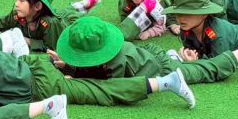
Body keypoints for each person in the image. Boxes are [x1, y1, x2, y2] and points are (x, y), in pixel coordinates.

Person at [28, 15, 221, 108]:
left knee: (201, 71)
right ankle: (175, 56)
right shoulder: (105, 57)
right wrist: (68, 66)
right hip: (144, 54)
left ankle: (237, 55)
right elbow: (93, 68)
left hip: (159, 67)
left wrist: (75, 77)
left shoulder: (117, 65)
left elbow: (109, 86)